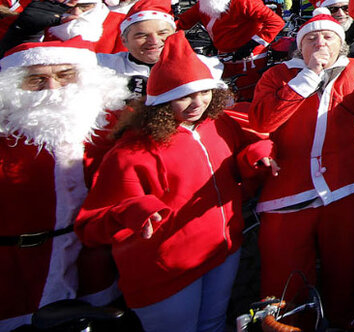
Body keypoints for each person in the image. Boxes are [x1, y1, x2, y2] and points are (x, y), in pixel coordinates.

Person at [76, 34, 275, 332]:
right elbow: (91, 226)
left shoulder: (219, 124)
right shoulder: (133, 151)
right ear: (160, 102)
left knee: (214, 324)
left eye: (204, 93)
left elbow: (236, 172)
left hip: (222, 252)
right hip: (165, 271)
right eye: (185, 96)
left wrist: (254, 157)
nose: (198, 103)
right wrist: (132, 210)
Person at [249, 9, 354, 327]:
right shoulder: (277, 75)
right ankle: (290, 323)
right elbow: (262, 120)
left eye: (328, 37)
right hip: (288, 193)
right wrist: (307, 76)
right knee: (283, 273)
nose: (320, 42)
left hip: (346, 186)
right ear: (299, 47)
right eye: (311, 38)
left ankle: (341, 318)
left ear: (341, 45)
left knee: (344, 266)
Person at [0, 39, 127, 330]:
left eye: (65, 75)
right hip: (15, 267)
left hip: (92, 259)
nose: (52, 88)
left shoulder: (113, 123)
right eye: (36, 79)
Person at [175, 0, 283, 97]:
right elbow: (183, 22)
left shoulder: (244, 1)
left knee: (249, 93)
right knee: (229, 93)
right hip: (224, 57)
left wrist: (252, 43)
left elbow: (276, 22)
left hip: (249, 58)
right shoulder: (203, 3)